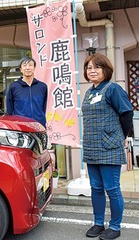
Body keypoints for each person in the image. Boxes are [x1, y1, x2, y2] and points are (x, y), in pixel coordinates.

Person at [82, 53, 133, 240]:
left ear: (106, 69)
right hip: (91, 146)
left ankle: (115, 226)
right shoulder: (89, 92)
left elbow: (126, 113)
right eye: (89, 68)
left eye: (97, 67)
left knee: (112, 188)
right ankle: (98, 223)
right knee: (96, 187)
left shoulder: (113, 89)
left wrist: (120, 137)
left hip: (109, 147)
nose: (92, 71)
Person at [6, 56, 48, 127]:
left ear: (34, 68)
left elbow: (43, 107)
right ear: (21, 69)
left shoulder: (42, 86)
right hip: (20, 125)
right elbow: (10, 109)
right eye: (24, 65)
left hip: (39, 125)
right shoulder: (14, 86)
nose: (28, 68)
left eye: (30, 65)